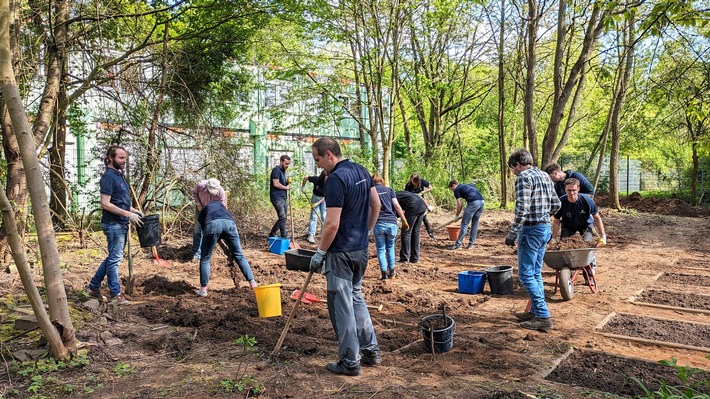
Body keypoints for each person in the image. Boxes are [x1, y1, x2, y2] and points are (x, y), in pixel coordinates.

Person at [308, 137, 381, 376]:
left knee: (343, 306)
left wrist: (320, 252)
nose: (318, 165)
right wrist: (366, 232)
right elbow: (376, 205)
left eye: (318, 160)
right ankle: (371, 351)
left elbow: (331, 224)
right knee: (356, 297)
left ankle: (350, 361)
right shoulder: (361, 169)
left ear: (329, 155)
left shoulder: (337, 179)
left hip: (340, 253)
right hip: (360, 250)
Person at [505, 149, 561, 332]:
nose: (513, 172)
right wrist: (545, 216)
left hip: (530, 229)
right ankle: (536, 311)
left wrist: (512, 233)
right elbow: (557, 204)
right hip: (545, 228)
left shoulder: (523, 178)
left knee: (526, 274)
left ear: (518, 164)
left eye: (513, 168)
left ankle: (543, 316)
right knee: (535, 273)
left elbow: (522, 208)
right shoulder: (545, 176)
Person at [85, 145, 144, 306]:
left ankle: (92, 287)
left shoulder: (119, 176)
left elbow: (120, 202)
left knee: (113, 257)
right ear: (110, 158)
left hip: (121, 223)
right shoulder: (109, 177)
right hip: (113, 224)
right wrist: (127, 214)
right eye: (120, 158)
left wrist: (134, 211)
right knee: (115, 259)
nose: (124, 161)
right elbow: (105, 203)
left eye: (125, 158)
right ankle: (115, 294)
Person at [195, 197, 257, 297]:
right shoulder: (222, 207)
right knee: (239, 255)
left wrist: (223, 247)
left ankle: (203, 290)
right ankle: (253, 283)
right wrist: (226, 249)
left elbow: (209, 232)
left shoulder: (204, 210)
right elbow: (223, 227)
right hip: (230, 224)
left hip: (212, 225)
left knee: (205, 258)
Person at [551, 178, 607, 281]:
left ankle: (589, 275)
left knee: (586, 246)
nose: (571, 193)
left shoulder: (586, 200)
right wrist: (554, 237)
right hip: (568, 225)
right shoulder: (561, 201)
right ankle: (567, 273)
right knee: (564, 248)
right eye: (569, 190)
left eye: (574, 190)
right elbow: (556, 220)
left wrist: (603, 235)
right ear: (565, 190)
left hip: (585, 225)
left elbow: (597, 217)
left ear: (578, 189)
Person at [372, 174, 407, 280]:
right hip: (391, 223)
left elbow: (369, 209)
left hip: (378, 224)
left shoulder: (371, 192)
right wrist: (404, 219)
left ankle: (383, 274)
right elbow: (396, 206)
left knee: (381, 249)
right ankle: (392, 272)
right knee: (390, 247)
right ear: (381, 181)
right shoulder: (389, 190)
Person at [190, 178, 227, 260]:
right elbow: (194, 192)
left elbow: (222, 208)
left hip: (214, 212)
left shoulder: (221, 192)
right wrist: (198, 204)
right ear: (207, 187)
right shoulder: (200, 185)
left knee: (210, 230)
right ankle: (196, 254)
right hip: (201, 208)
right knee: (198, 230)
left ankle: (207, 252)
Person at [447, 179, 485, 250]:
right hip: (482, 202)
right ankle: (471, 244)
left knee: (464, 224)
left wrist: (456, 216)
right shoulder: (468, 185)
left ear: (454, 185)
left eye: (451, 189)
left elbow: (459, 205)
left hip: (473, 202)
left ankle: (458, 244)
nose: (452, 191)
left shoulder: (456, 190)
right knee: (475, 223)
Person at [395, 190, 428, 264]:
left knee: (406, 231)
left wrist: (401, 221)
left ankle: (404, 258)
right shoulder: (399, 194)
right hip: (422, 204)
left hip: (413, 206)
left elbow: (396, 210)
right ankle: (415, 258)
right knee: (415, 233)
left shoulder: (392, 197)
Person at [404, 173, 436, 240]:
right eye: (411, 180)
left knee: (424, 218)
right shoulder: (408, 185)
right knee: (412, 220)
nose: (413, 182)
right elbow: (405, 196)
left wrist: (422, 193)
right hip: (412, 204)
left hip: (421, 203)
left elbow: (430, 187)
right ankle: (410, 233)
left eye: (414, 181)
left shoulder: (422, 181)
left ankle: (430, 232)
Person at [301, 171, 327, 244]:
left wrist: (317, 203)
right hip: (315, 197)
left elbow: (326, 197)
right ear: (322, 177)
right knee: (314, 216)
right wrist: (303, 187)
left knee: (324, 217)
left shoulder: (329, 182)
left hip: (324, 200)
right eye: (325, 178)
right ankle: (311, 235)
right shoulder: (316, 179)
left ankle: (324, 235)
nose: (326, 179)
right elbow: (305, 178)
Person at [269, 155, 291, 238]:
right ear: (281, 161)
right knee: (282, 217)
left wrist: (287, 183)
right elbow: (276, 184)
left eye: (288, 164)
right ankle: (283, 236)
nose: (287, 165)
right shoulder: (276, 170)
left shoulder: (282, 171)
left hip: (282, 197)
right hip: (277, 197)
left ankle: (272, 233)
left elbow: (281, 183)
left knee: (283, 218)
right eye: (286, 163)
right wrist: (286, 187)